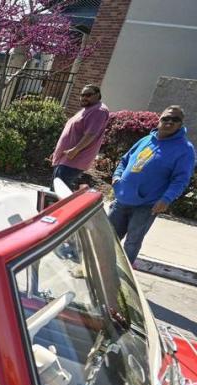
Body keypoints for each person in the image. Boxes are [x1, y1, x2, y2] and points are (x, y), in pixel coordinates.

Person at [109, 105, 195, 264]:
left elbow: (181, 179)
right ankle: (98, 270)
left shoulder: (185, 149)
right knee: (107, 238)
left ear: (181, 124)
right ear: (159, 119)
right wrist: (116, 176)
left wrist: (166, 199)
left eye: (175, 119)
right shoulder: (146, 140)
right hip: (122, 199)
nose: (169, 122)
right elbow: (125, 160)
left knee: (132, 243)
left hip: (147, 206)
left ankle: (120, 282)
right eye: (166, 118)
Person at [49, 84, 110, 190]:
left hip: (73, 160)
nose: (84, 97)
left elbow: (91, 134)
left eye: (88, 95)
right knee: (55, 191)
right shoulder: (87, 109)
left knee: (58, 194)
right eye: (82, 95)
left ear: (98, 95)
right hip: (66, 158)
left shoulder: (98, 111)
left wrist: (75, 150)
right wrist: (57, 152)